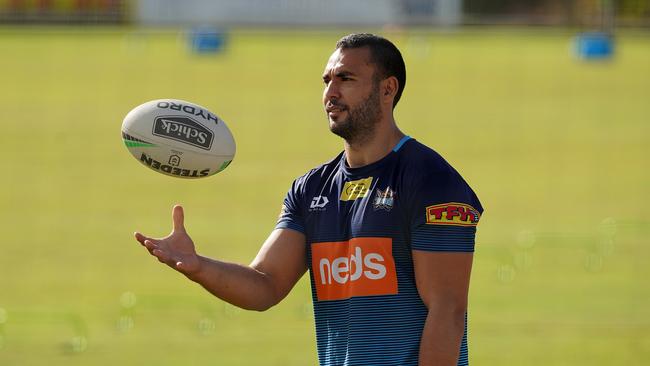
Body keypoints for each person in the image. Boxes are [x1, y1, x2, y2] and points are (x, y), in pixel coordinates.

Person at [134, 33, 483, 366]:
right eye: (327, 80)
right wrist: (197, 265)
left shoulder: (431, 181)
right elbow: (265, 284)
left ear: (387, 88)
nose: (330, 92)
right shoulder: (312, 189)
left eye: (345, 79)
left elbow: (448, 308)